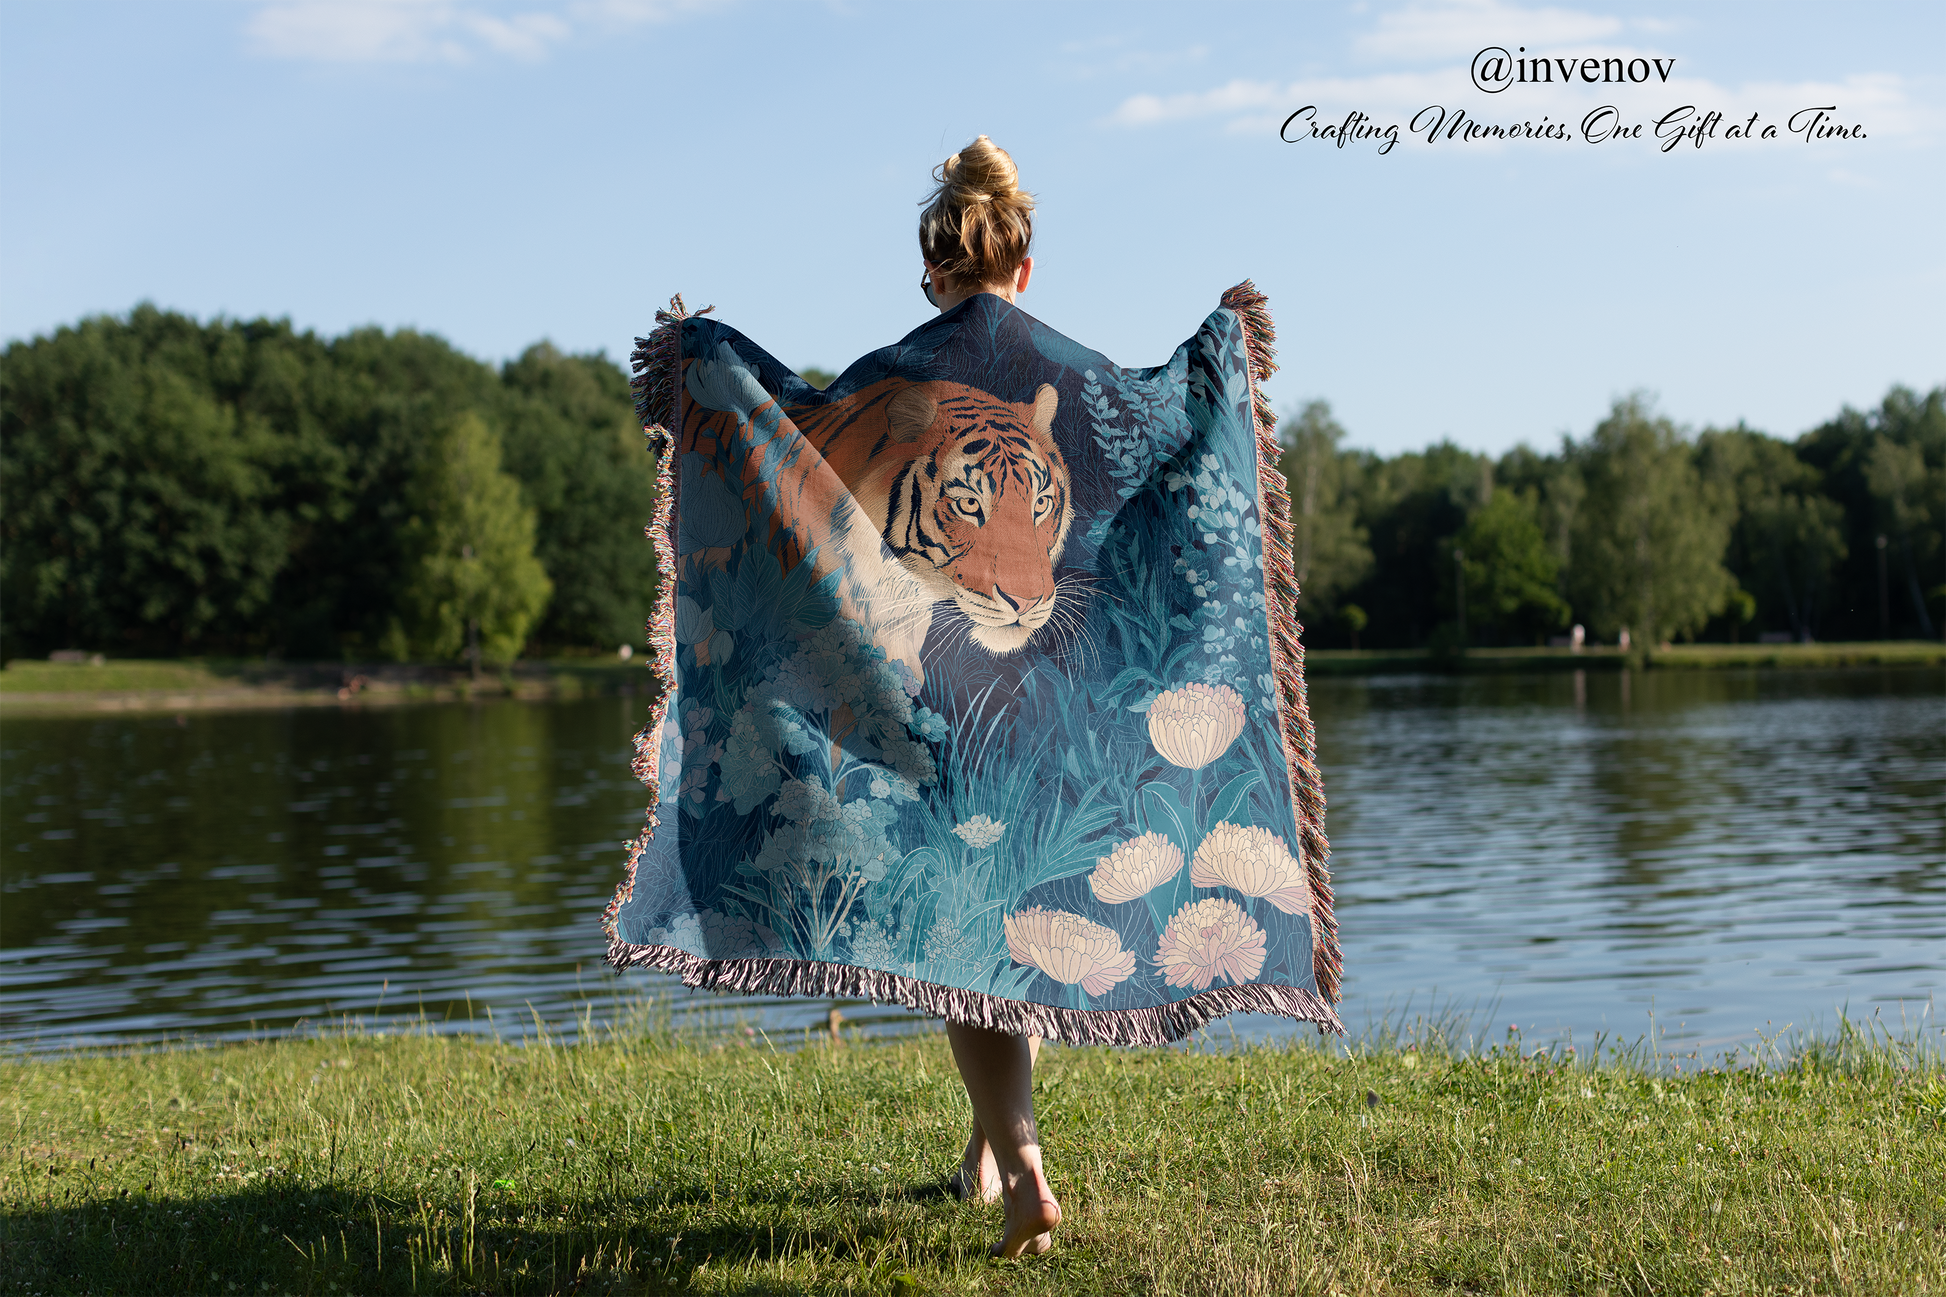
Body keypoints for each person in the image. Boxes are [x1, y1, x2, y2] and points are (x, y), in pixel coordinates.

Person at [915, 135, 1058, 1260]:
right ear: (1022, 264)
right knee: (1012, 928)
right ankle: (980, 1153)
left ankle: (1024, 1172)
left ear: (933, 272)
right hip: (1057, 691)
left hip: (950, 691)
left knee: (964, 943)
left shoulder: (902, 373)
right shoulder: (1071, 367)